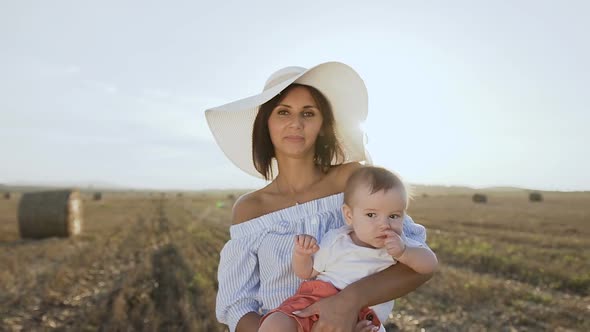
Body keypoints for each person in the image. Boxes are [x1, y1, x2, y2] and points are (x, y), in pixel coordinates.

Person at [205, 62, 433, 332]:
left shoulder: (352, 181)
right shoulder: (250, 209)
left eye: (308, 113)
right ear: (266, 123)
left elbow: (415, 264)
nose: (295, 123)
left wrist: (349, 301)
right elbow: (237, 304)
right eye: (283, 112)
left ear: (323, 125)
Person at [258, 166, 439, 332]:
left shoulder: (400, 245)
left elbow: (429, 265)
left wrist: (404, 252)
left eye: (393, 216)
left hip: (363, 318)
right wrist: (301, 254)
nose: (384, 224)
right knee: (275, 323)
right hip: (316, 300)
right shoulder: (337, 240)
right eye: (371, 215)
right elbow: (306, 272)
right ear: (349, 215)